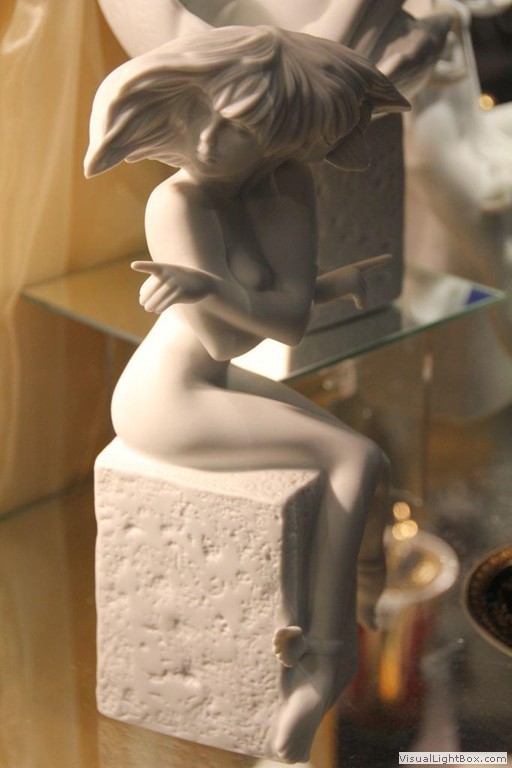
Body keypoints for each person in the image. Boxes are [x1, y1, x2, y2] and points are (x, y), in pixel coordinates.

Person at [85, 25, 408, 763]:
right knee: (355, 457)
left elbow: (282, 320)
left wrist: (244, 290)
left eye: (241, 131)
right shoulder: (175, 203)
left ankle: (366, 596)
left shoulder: (286, 187)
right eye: (211, 114)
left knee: (371, 462)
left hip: (212, 382)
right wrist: (221, 297)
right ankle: (324, 660)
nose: (207, 140)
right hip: (163, 401)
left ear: (282, 142)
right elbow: (229, 338)